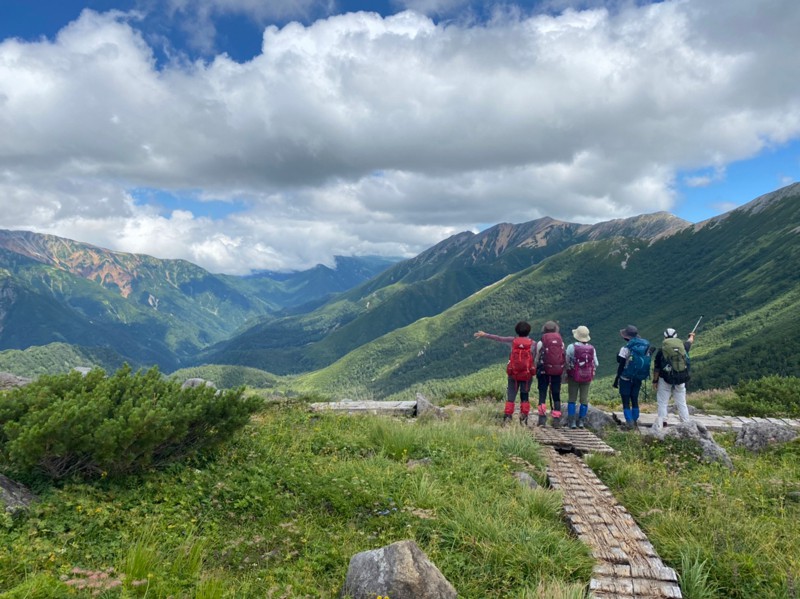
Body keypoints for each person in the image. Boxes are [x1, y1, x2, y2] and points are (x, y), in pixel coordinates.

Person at [474, 321, 535, 425]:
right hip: (527, 375)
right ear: (529, 331)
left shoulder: (513, 341)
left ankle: (507, 418)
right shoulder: (533, 343)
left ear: (516, 331)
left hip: (513, 374)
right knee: (525, 396)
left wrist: (485, 335)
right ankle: (523, 419)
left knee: (511, 396)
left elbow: (499, 338)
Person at [651, 327, 695, 430]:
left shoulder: (661, 351)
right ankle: (686, 422)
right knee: (681, 402)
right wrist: (691, 336)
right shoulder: (683, 347)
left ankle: (662, 423)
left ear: (665, 337)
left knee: (662, 402)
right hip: (681, 377)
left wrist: (655, 381)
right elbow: (690, 342)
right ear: (676, 336)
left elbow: (657, 368)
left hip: (665, 378)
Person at [613, 324, 652, 429]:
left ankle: (629, 422)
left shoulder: (625, 348)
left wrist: (617, 379)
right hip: (638, 377)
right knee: (634, 398)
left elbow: (621, 364)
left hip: (625, 377)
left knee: (625, 400)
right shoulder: (645, 346)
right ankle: (634, 420)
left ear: (626, 336)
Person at [565, 325, 598, 429]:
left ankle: (572, 422)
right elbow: (596, 363)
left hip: (574, 376)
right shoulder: (592, 348)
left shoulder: (571, 347)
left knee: (572, 399)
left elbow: (566, 361)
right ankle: (581, 422)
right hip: (587, 376)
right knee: (584, 399)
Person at [534, 321, 566, 427]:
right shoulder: (561, 342)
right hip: (557, 371)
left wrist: (536, 368)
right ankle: (556, 419)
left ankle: (542, 419)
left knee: (542, 393)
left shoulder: (541, 342)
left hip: (543, 371)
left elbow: (537, 357)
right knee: (556, 394)